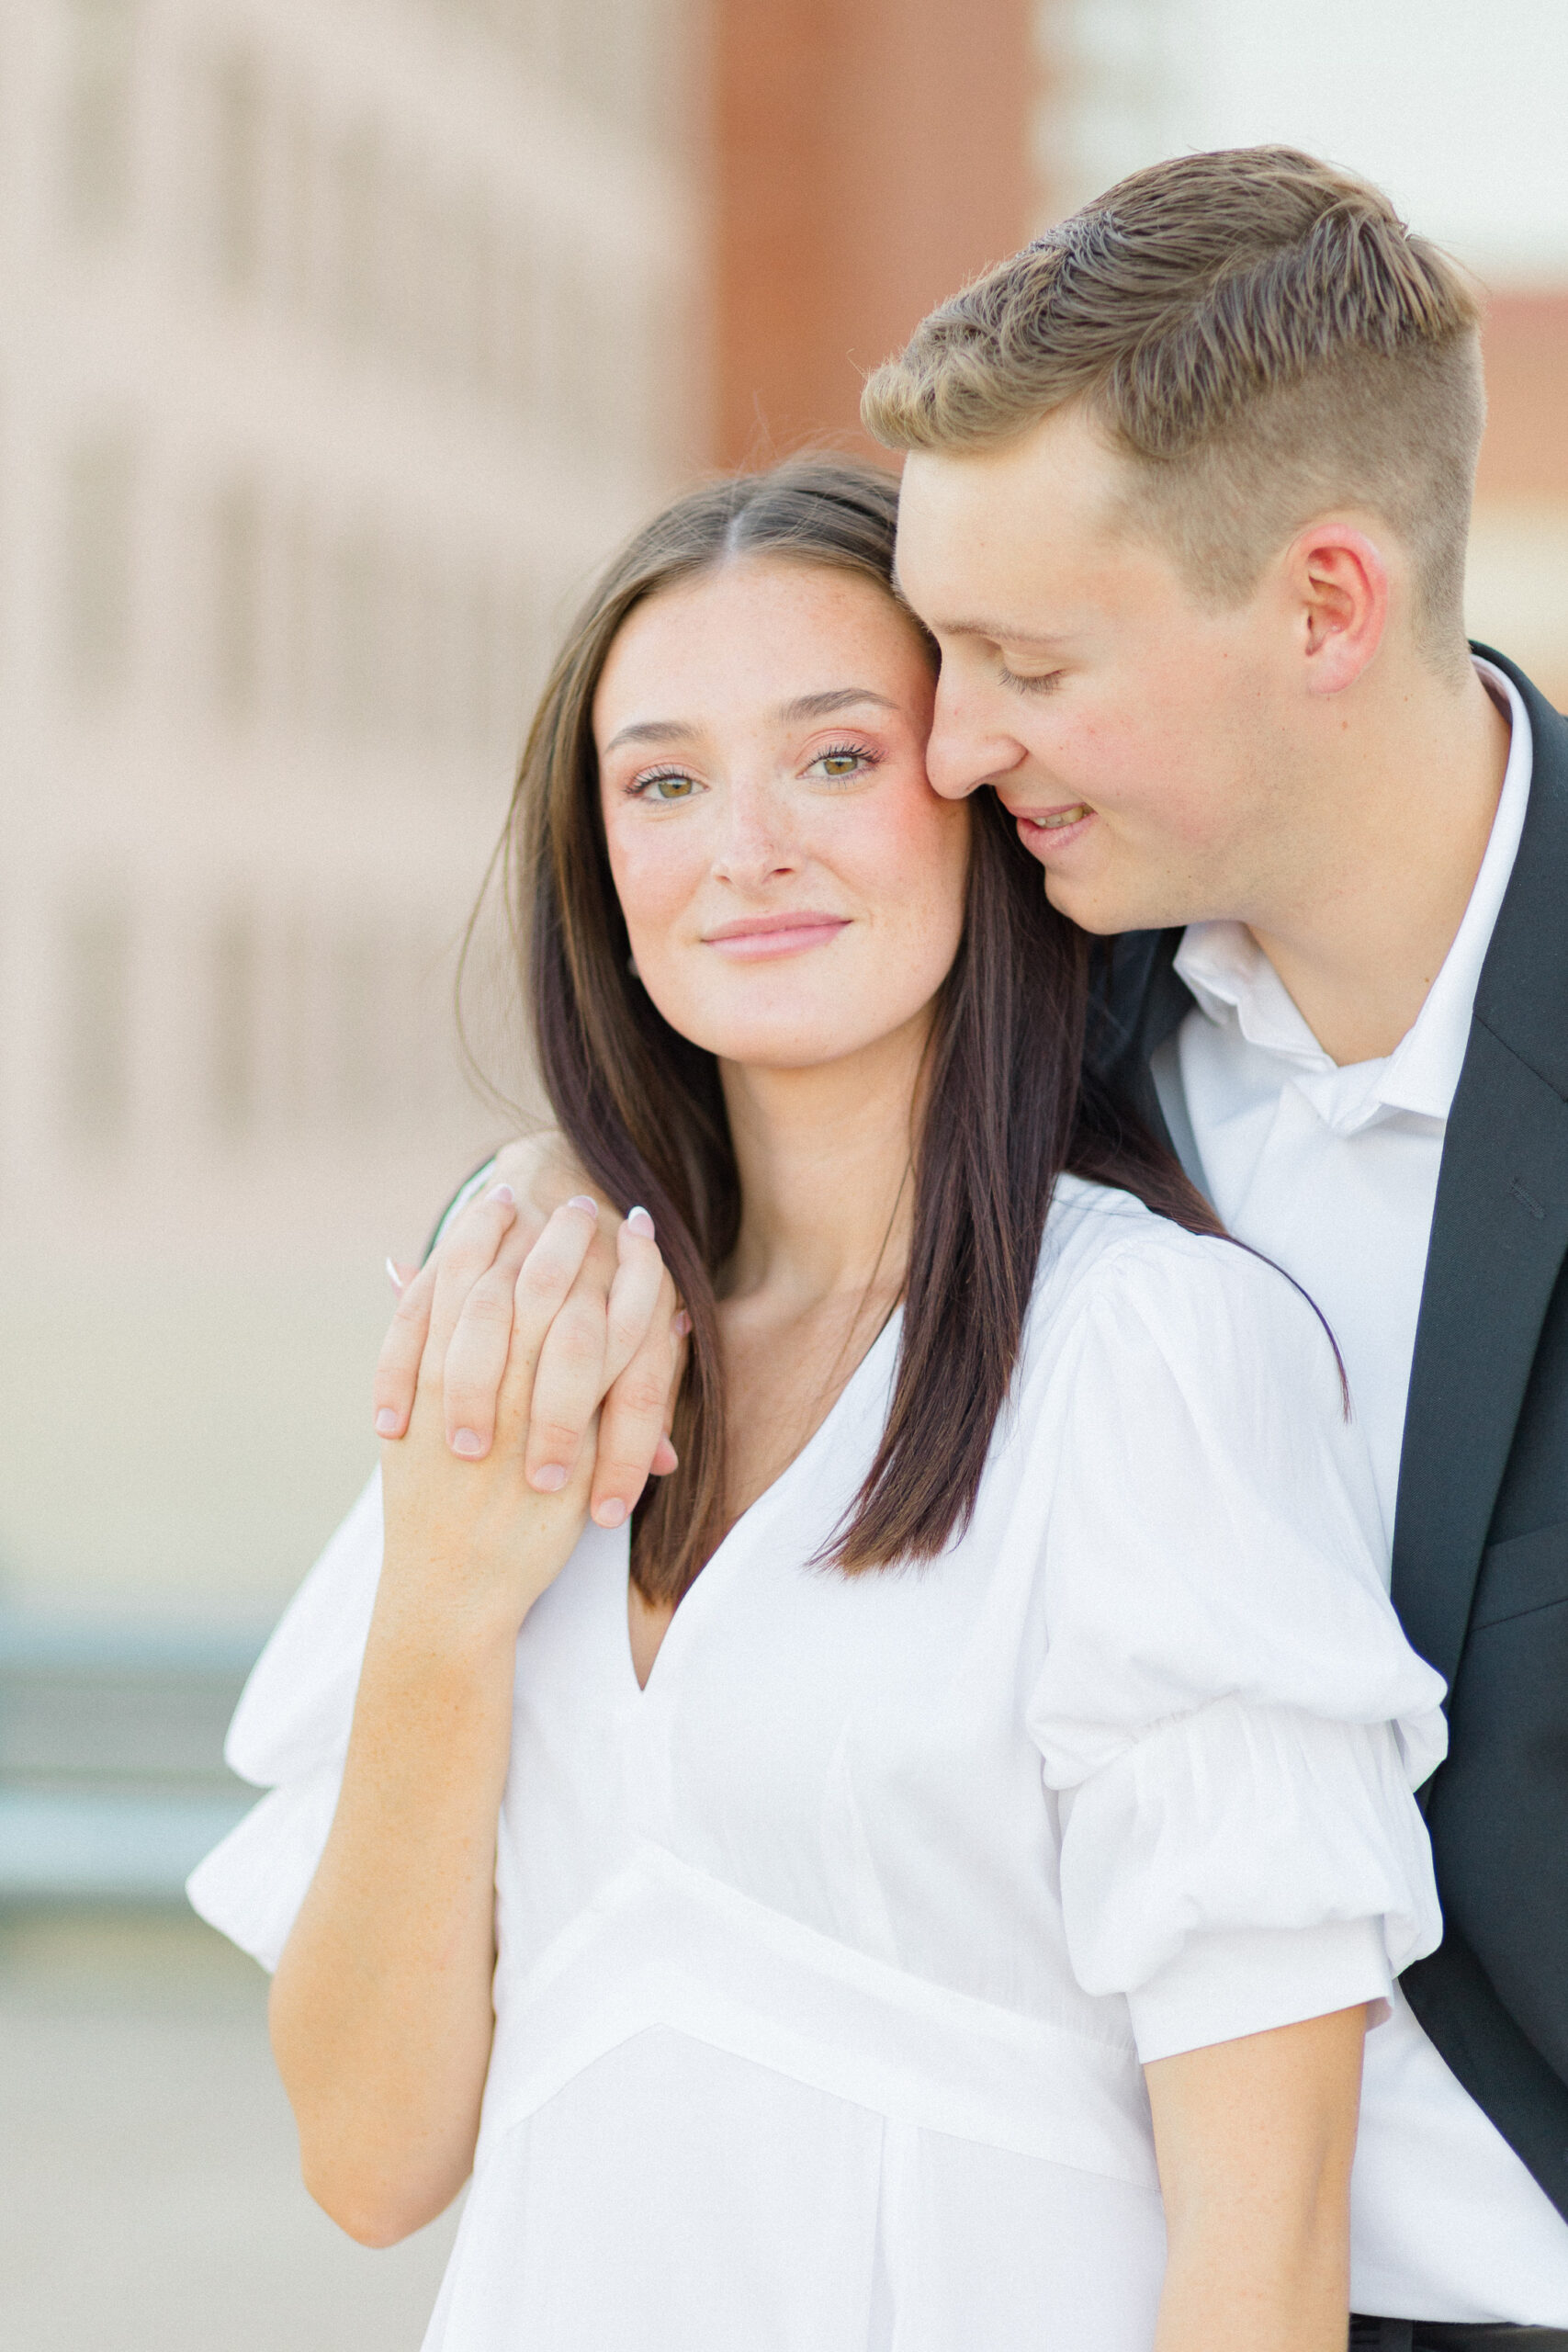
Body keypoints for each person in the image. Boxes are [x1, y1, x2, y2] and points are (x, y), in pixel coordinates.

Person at [385, 151, 1568, 2342]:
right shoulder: (1047, 993)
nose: (948, 742)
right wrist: (572, 1187)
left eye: (1020, 660)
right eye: (939, 655)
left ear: (1322, 607)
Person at [189, 458, 1447, 2352]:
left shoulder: (1144, 1353)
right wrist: (445, 1602)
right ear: (596, 863)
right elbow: (369, 2158)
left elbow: (1261, 2258)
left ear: (973, 803)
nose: (744, 845)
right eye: (665, 781)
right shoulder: (539, 1324)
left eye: (836, 757)